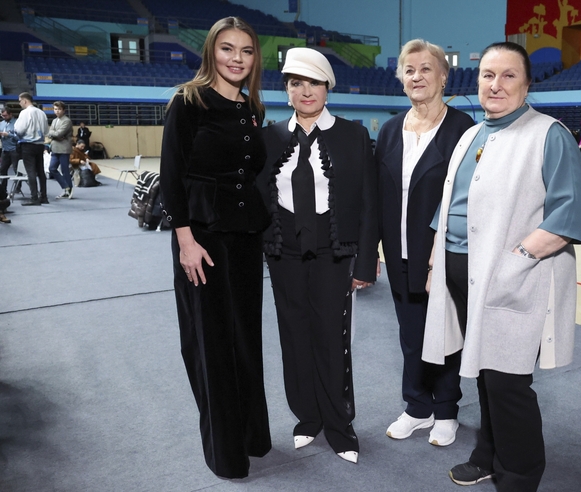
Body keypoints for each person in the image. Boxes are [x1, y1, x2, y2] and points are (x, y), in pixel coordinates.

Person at [422, 42, 581, 491]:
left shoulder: (548, 133)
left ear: (527, 83)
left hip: (514, 279)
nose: (495, 85)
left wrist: (517, 260)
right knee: (481, 371)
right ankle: (488, 455)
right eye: (487, 75)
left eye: (508, 75)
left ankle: (520, 474)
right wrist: (437, 261)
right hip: (461, 273)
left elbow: (568, 216)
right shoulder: (472, 133)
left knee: (508, 384)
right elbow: (449, 204)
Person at [158, 16, 272, 479]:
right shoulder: (188, 101)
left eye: (246, 51)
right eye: (227, 49)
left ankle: (251, 436)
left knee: (245, 339)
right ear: (211, 52)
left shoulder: (252, 108)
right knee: (210, 342)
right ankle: (225, 451)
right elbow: (172, 174)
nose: (237, 59)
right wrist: (185, 240)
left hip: (245, 237)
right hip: (200, 237)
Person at [260, 47, 378, 465]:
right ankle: (306, 418)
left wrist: (365, 263)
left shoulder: (353, 135)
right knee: (292, 338)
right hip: (283, 255)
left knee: (332, 340)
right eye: (295, 83)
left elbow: (368, 204)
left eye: (313, 82)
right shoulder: (269, 136)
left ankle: (339, 424)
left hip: (334, 254)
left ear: (327, 86)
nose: (304, 91)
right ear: (286, 90)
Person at [375, 39, 474, 446]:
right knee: (410, 333)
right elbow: (376, 196)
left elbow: (469, 200)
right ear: (401, 79)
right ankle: (417, 406)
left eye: (425, 69)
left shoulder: (463, 129)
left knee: (446, 333)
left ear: (443, 76)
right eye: (409, 70)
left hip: (442, 255)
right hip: (398, 253)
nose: (417, 76)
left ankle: (447, 408)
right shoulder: (388, 130)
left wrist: (440, 254)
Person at [15, 92, 49, 206]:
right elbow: (45, 131)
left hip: (28, 145)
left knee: (30, 172)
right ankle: (43, 196)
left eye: (20, 101)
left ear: (24, 101)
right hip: (40, 145)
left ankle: (34, 198)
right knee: (40, 171)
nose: (19, 103)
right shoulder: (41, 113)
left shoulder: (25, 113)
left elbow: (19, 130)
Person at [48, 101, 74, 199]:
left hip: (64, 149)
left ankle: (69, 189)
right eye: (55, 109)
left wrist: (53, 134)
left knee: (65, 170)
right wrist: (54, 134)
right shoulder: (54, 120)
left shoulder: (67, 121)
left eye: (59, 109)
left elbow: (59, 134)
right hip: (54, 148)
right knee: (52, 169)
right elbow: (50, 132)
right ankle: (65, 186)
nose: (57, 111)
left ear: (63, 110)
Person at [0, 108, 18, 223]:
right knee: (2, 171)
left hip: (14, 149)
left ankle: (17, 189)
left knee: (16, 171)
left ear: (11, 114)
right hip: (5, 150)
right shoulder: (1, 123)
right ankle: (3, 190)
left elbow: (18, 137)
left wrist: (9, 135)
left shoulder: (16, 123)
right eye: (2, 116)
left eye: (6, 115)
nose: (4, 117)